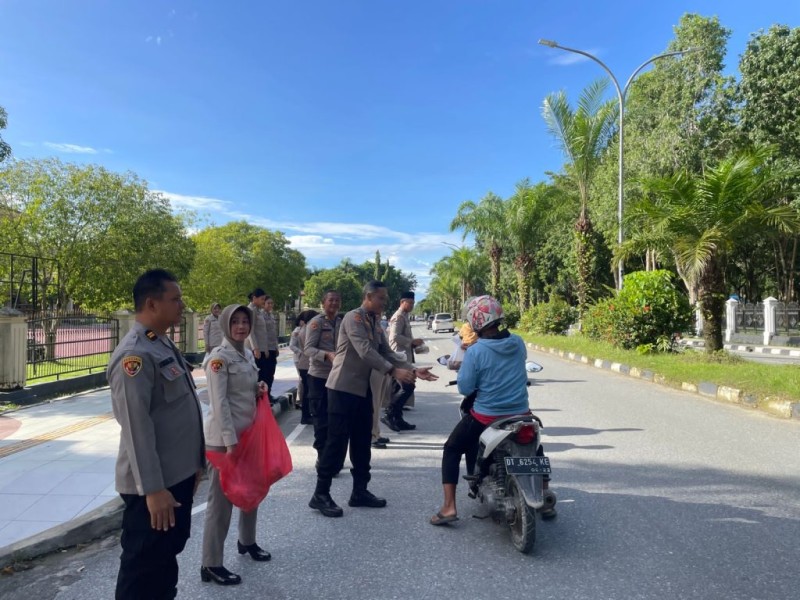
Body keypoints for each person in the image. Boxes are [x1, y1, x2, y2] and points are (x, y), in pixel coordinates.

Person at [107, 269, 205, 600]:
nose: (182, 305)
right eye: (175, 299)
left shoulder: (160, 343)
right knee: (142, 567)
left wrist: (195, 464)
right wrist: (153, 490)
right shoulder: (135, 355)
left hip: (175, 476)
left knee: (164, 559)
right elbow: (136, 427)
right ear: (152, 303)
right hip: (153, 485)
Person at [308, 280, 438, 518]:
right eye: (381, 298)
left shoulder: (374, 321)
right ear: (368, 297)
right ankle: (320, 494)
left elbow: (386, 351)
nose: (384, 302)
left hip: (361, 390)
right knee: (336, 443)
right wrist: (392, 371)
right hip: (342, 389)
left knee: (361, 442)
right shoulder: (353, 318)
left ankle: (359, 491)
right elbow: (365, 351)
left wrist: (412, 368)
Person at [430, 295, 554, 526]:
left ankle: (448, 507)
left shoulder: (477, 351)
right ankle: (545, 494)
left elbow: (465, 388)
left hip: (486, 417)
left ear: (476, 322)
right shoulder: (517, 342)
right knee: (535, 447)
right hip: (521, 413)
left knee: (452, 448)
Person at [201, 304, 271, 586]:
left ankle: (247, 542)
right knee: (221, 503)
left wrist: (258, 388)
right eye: (236, 322)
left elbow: (242, 391)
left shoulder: (245, 355)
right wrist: (230, 442)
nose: (241, 327)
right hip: (224, 441)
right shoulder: (218, 358)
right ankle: (211, 563)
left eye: (245, 321)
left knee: (251, 491)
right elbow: (220, 403)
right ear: (226, 325)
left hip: (248, 435)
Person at [303, 290, 342, 463]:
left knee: (336, 418)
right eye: (331, 300)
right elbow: (308, 349)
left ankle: (333, 456)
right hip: (318, 377)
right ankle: (322, 456)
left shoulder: (342, 323)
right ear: (323, 303)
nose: (334, 304)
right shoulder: (316, 323)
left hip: (338, 377)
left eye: (337, 300)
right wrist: (327, 355)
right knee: (320, 419)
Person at [383, 291, 425, 431]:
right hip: (397, 357)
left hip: (404, 356)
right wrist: (412, 342)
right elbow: (394, 337)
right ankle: (390, 413)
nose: (412, 305)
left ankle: (397, 418)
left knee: (402, 387)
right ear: (402, 302)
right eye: (410, 303)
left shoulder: (405, 316)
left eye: (413, 303)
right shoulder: (399, 316)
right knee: (407, 386)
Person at [290, 309, 319, 425]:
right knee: (309, 391)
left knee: (308, 390)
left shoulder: (303, 329)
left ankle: (306, 415)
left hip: (304, 363)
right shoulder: (308, 330)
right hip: (306, 363)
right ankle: (306, 416)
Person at [246, 288, 271, 390]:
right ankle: (256, 402)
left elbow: (262, 332)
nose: (263, 302)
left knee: (263, 376)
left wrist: (265, 349)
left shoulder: (258, 311)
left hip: (261, 349)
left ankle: (263, 401)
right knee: (257, 378)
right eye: (262, 299)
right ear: (254, 298)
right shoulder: (251, 310)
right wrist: (255, 348)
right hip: (254, 350)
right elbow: (250, 331)